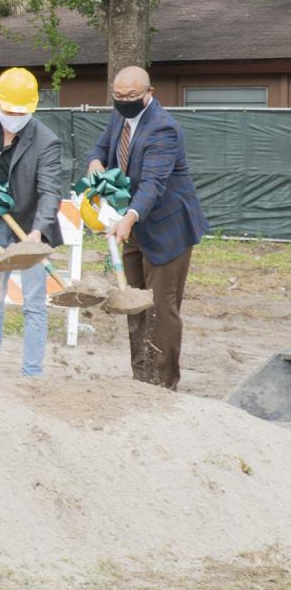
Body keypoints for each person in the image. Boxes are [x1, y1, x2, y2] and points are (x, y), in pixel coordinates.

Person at [86, 65, 207, 390]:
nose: (124, 101)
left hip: (168, 230)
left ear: (148, 94)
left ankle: (163, 385)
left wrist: (129, 218)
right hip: (132, 227)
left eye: (132, 97)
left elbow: (153, 183)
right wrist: (95, 162)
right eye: (119, 96)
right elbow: (101, 147)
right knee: (134, 302)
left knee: (161, 308)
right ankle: (141, 379)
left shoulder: (163, 129)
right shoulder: (120, 117)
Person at [0, 68, 62, 378]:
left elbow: (50, 192)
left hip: (30, 226)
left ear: (31, 109)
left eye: (20, 112)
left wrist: (36, 233)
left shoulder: (47, 142)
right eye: (8, 110)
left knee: (33, 301)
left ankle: (32, 373)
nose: (13, 116)